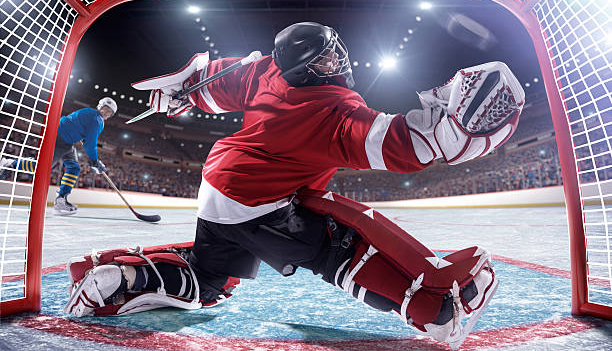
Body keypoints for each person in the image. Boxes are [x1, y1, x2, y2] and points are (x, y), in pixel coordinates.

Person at [64, 22, 524, 349]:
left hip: (218, 191)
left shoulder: (267, 69)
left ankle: (127, 277)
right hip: (262, 204)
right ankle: (438, 312)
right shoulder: (333, 111)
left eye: (333, 49)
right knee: (337, 246)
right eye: (325, 57)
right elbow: (405, 146)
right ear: (308, 69)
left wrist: (188, 92)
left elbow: (214, 84)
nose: (336, 59)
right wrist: (458, 128)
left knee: (209, 279)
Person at [0, 97, 117, 215]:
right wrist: (95, 161)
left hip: (63, 139)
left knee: (74, 167)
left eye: (109, 112)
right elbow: (90, 144)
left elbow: (77, 127)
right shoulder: (97, 120)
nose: (106, 112)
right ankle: (10, 163)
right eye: (105, 109)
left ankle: (61, 199)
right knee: (41, 167)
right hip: (60, 139)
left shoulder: (89, 112)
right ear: (100, 106)